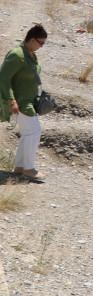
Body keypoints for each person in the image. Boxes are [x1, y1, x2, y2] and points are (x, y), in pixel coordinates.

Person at [0, 24, 49, 180]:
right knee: (34, 131)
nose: (42, 46)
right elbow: (3, 78)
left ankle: (20, 167)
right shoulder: (17, 54)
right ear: (32, 39)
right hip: (20, 102)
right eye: (41, 43)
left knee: (29, 133)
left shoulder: (31, 54)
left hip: (29, 101)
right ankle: (29, 169)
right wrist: (11, 100)